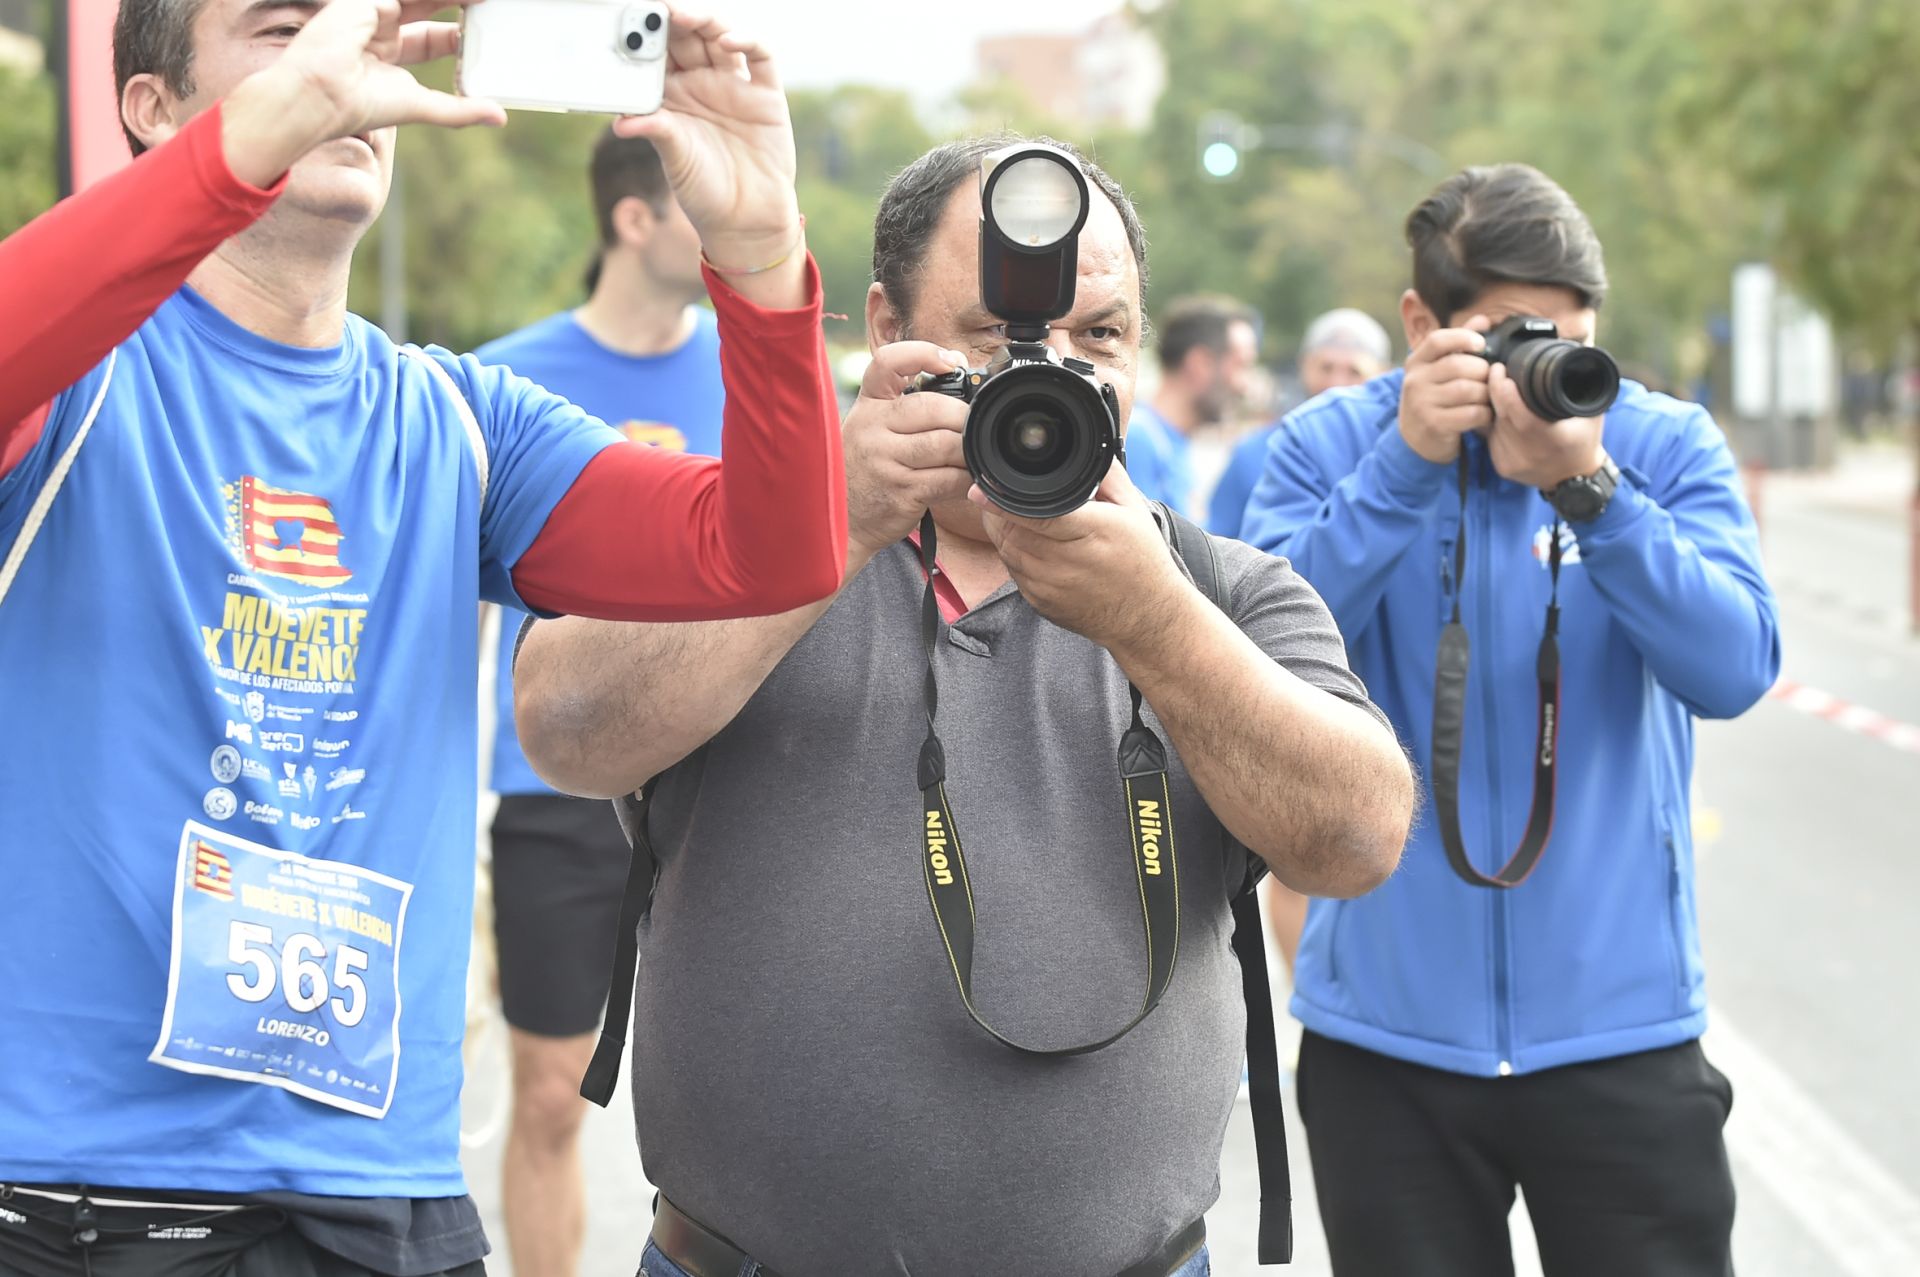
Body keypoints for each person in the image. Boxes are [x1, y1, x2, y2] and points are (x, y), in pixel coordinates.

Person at [0, 2, 846, 1274]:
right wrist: (248, 148)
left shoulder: (459, 418)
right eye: (284, 29)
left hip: (387, 1200)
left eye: (358, 29)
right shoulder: (80, 376)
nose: (348, 59)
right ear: (154, 111)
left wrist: (764, 248)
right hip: (91, 1196)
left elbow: (769, 554)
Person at [513, 136, 1414, 1277]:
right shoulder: (745, 537)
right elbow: (563, 725)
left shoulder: (1222, 590)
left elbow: (1357, 838)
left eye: (1101, 337)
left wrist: (1155, 622)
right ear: (888, 329)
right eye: (997, 335)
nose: (1051, 374)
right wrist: (827, 525)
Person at [1240, 162, 1779, 1277]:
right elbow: (1250, 670)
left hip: (1622, 1032)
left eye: (1571, 337)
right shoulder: (1327, 449)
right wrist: (1402, 469)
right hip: (1385, 1043)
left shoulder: (1662, 445)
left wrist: (1594, 494)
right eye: (1506, 335)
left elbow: (1733, 667)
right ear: (1418, 322)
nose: (1543, 367)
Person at [474, 127, 725, 1277]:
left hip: (728, 780)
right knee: (548, 1098)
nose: (719, 229)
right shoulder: (504, 374)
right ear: (634, 221)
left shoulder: (750, 373)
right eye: (693, 208)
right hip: (557, 789)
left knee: (765, 1100)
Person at [1205, 306, 1392, 541]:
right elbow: (1213, 550)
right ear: (1304, 365)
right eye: (1326, 367)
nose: (1336, 383)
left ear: (1383, 375)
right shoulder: (1254, 453)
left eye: (1354, 371)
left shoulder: (1393, 460)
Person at [1124, 294, 1259, 519]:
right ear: (1201, 363)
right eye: (1240, 366)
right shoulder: (1138, 441)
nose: (1245, 386)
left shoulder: (1171, 444)